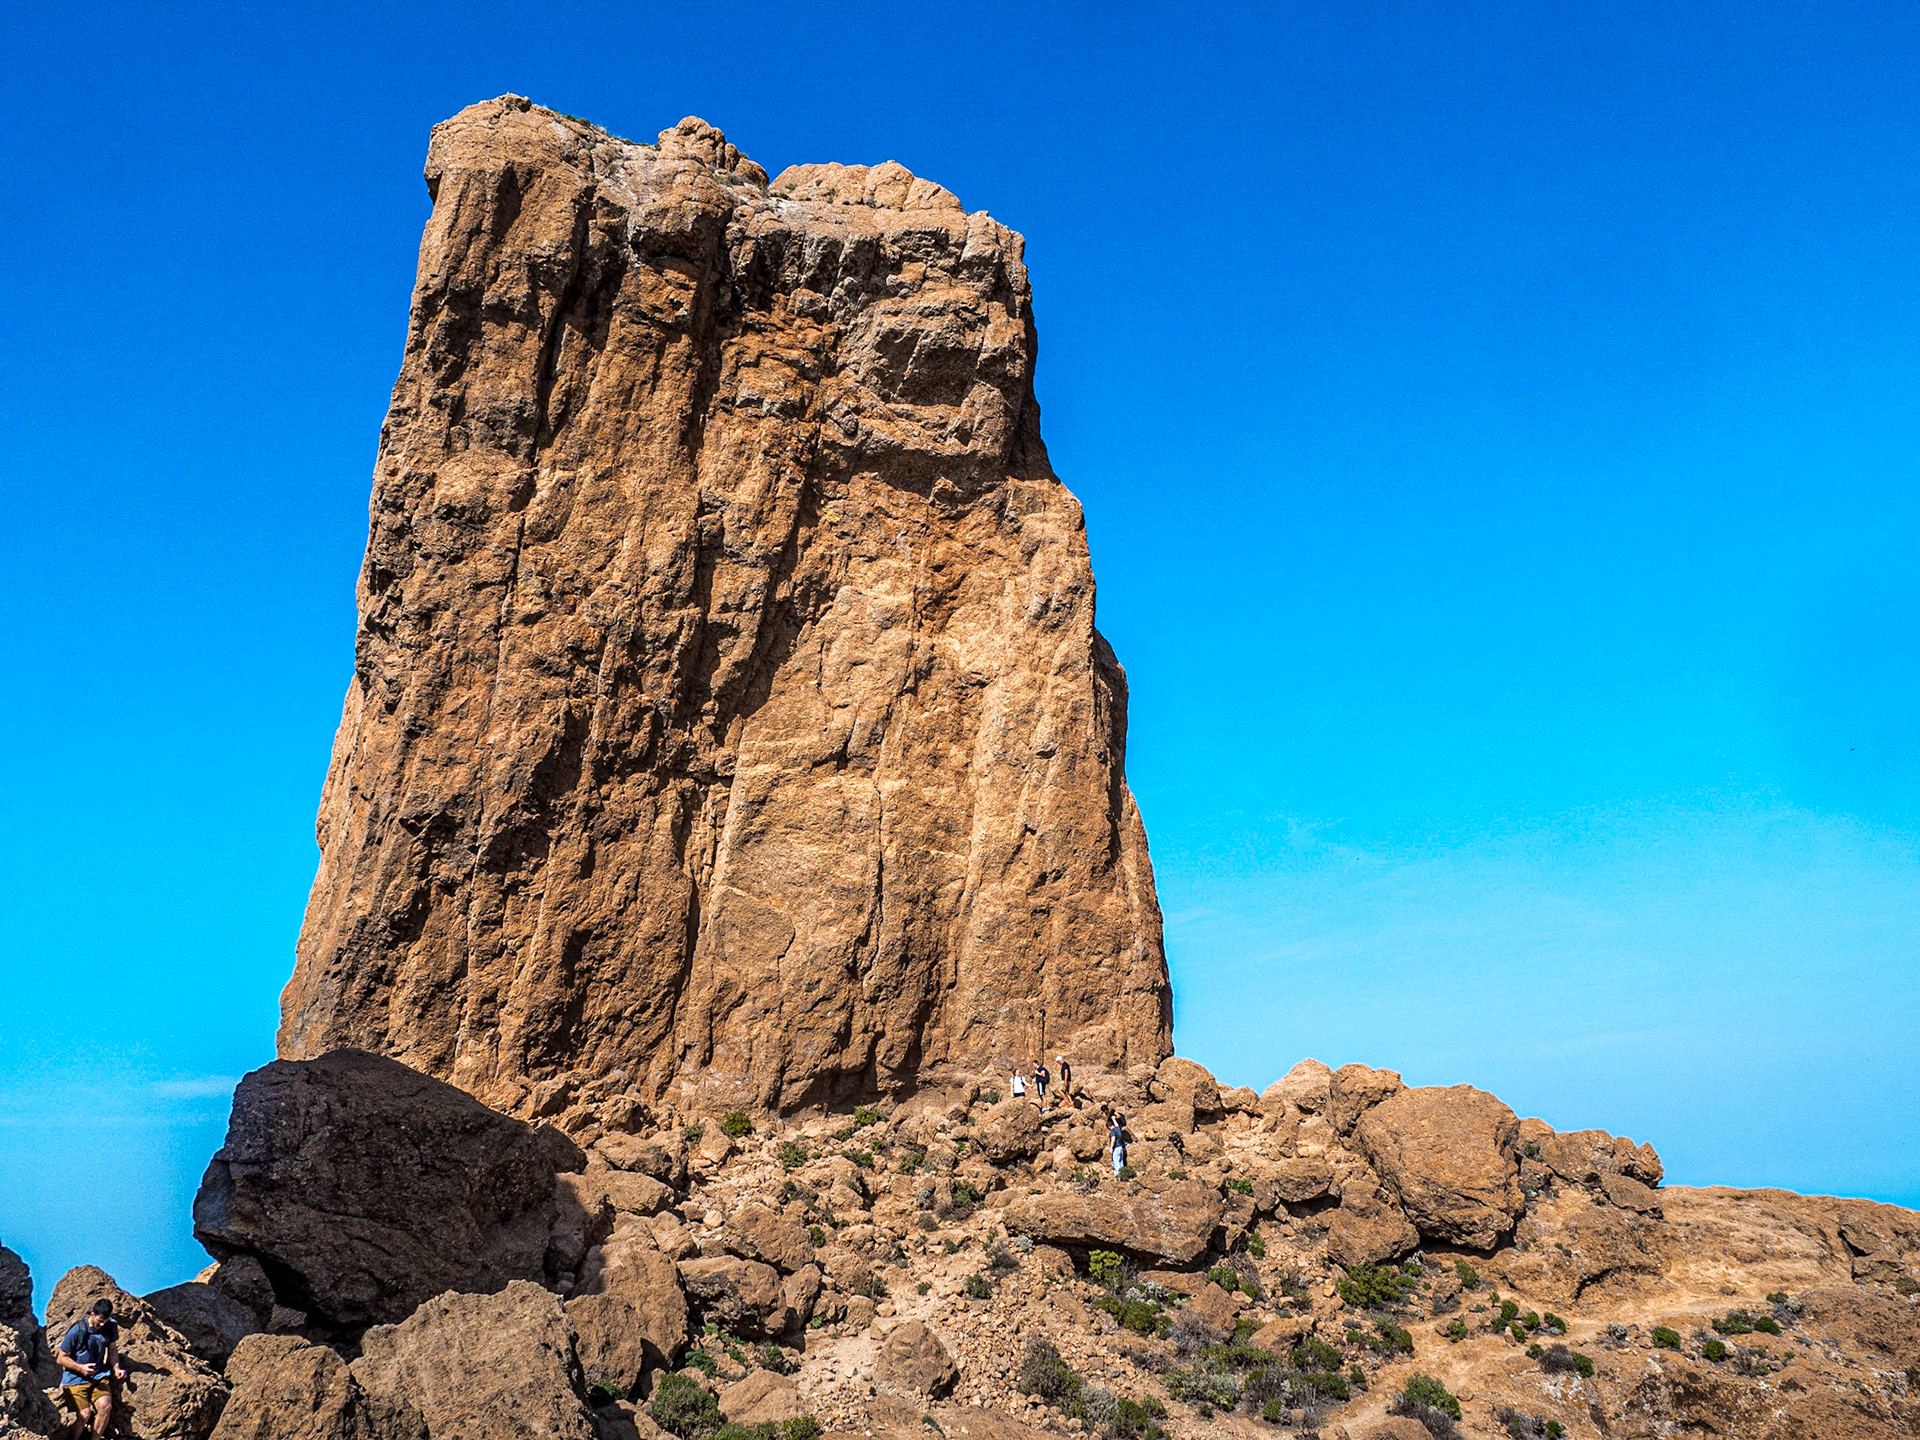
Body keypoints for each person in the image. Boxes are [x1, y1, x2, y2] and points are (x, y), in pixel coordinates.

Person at [58, 1298, 124, 1439]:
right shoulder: (77, 1331)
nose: (102, 1324)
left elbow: (112, 1349)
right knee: (84, 1415)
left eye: (105, 1321)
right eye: (100, 1320)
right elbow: (61, 1358)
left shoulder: (110, 1326)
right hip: (75, 1379)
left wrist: (116, 1368)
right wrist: (80, 1368)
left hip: (99, 1376)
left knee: (105, 1406)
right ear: (92, 1314)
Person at [1108, 1110, 1128, 1177]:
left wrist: (1111, 1147)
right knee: (1120, 1161)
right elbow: (1116, 1125)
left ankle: (1118, 1175)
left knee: (1116, 1161)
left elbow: (1113, 1139)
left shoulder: (1112, 1132)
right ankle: (1123, 1174)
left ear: (1109, 1127)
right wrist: (1114, 1119)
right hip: (1121, 1147)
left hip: (1116, 1148)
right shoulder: (1118, 1129)